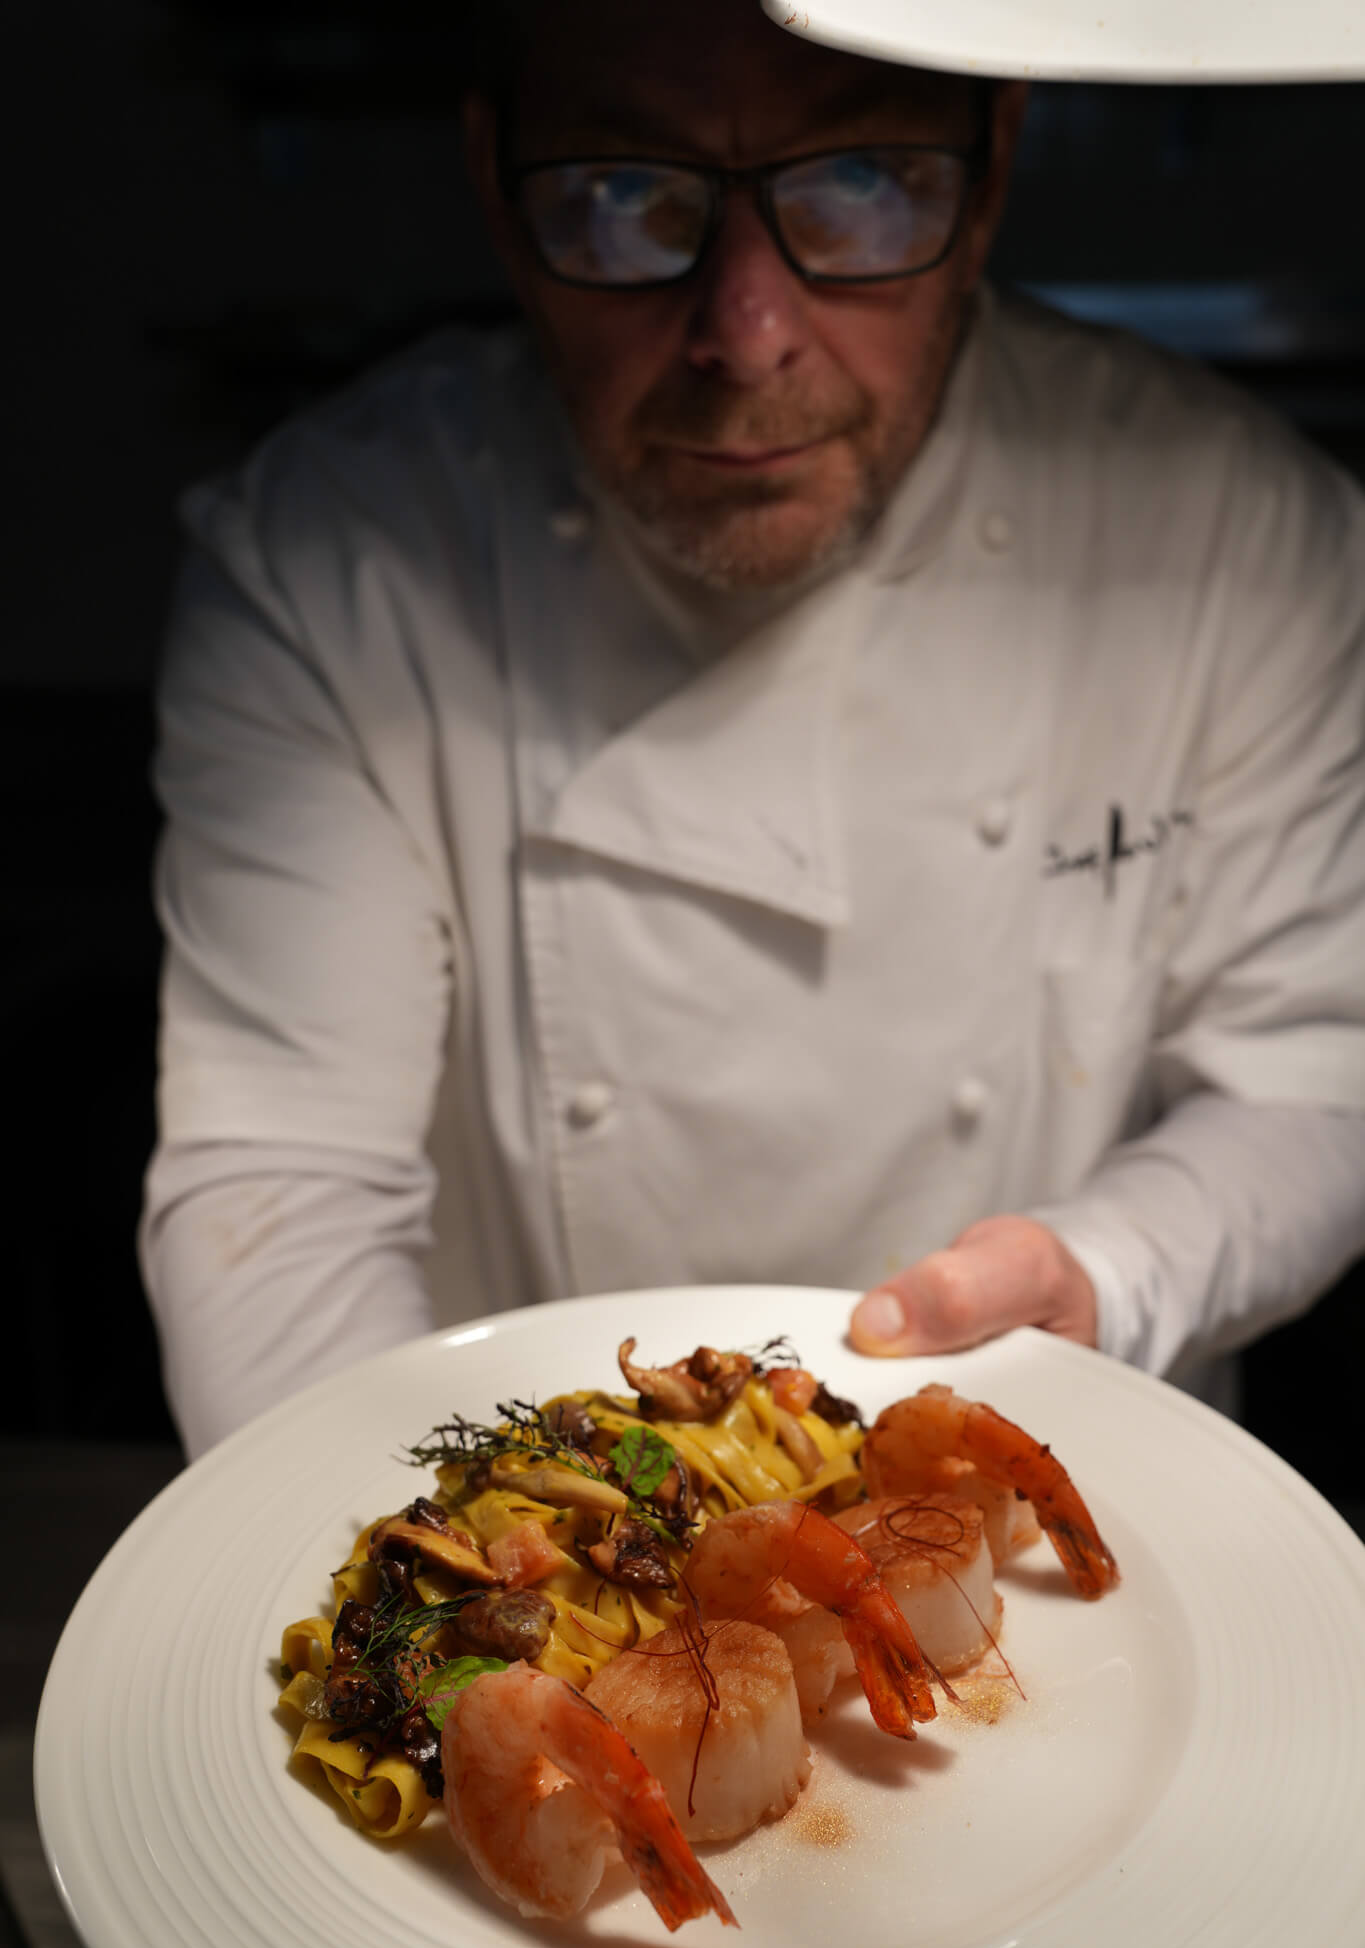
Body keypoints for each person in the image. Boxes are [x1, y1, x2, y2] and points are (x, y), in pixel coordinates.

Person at [141, 0, 1365, 1458]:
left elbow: (1314, 1083)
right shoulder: (329, 560)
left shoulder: (1235, 529)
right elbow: (283, 1189)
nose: (745, 331)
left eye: (857, 183)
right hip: (518, 1507)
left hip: (1055, 1504)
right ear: (491, 179)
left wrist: (1107, 1270)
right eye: (622, 196)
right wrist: (434, 1570)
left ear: (990, 170)